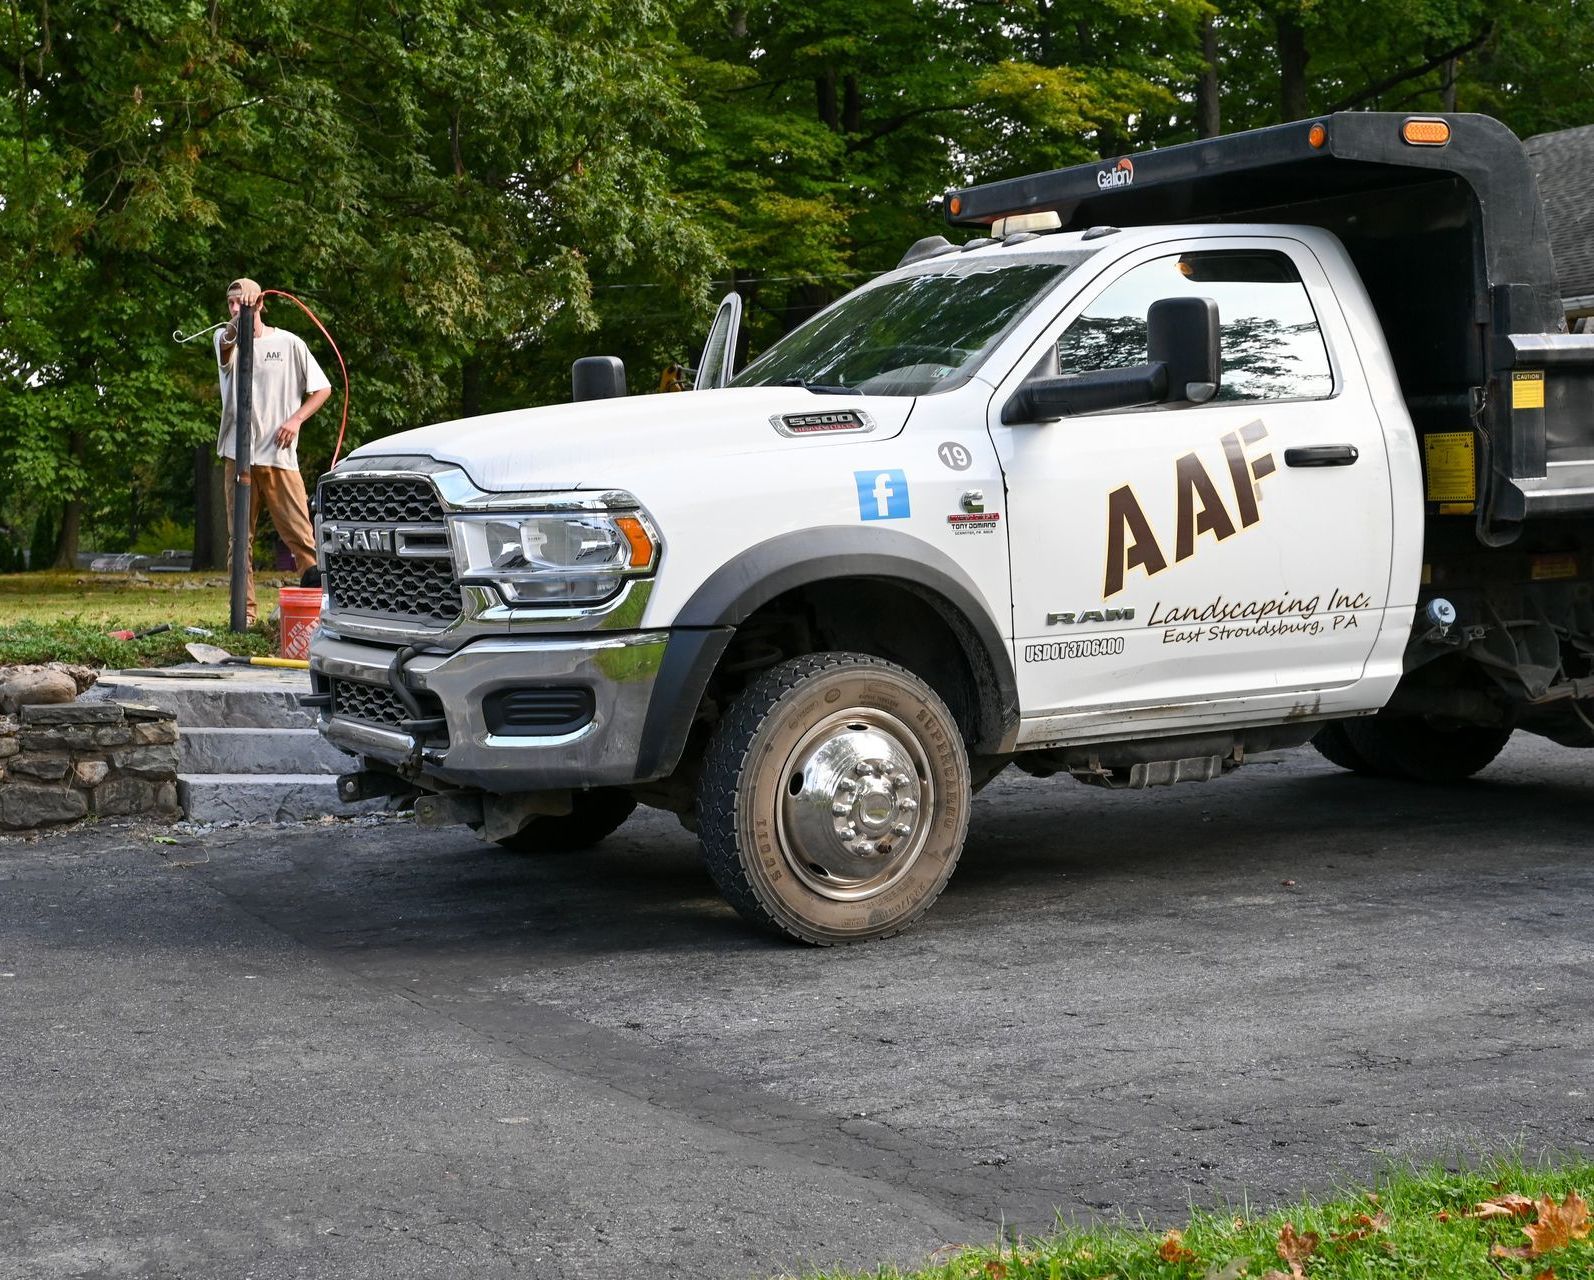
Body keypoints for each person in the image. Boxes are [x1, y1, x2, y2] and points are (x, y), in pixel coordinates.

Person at [215, 277, 331, 625]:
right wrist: (239, 318)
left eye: (242, 302)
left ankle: (317, 613)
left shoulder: (289, 343)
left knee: (302, 538)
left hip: (279, 455)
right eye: (230, 304)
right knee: (240, 541)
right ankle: (244, 616)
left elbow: (322, 389)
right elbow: (227, 344)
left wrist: (295, 420)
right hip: (239, 455)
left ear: (261, 303)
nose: (235, 308)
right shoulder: (225, 337)